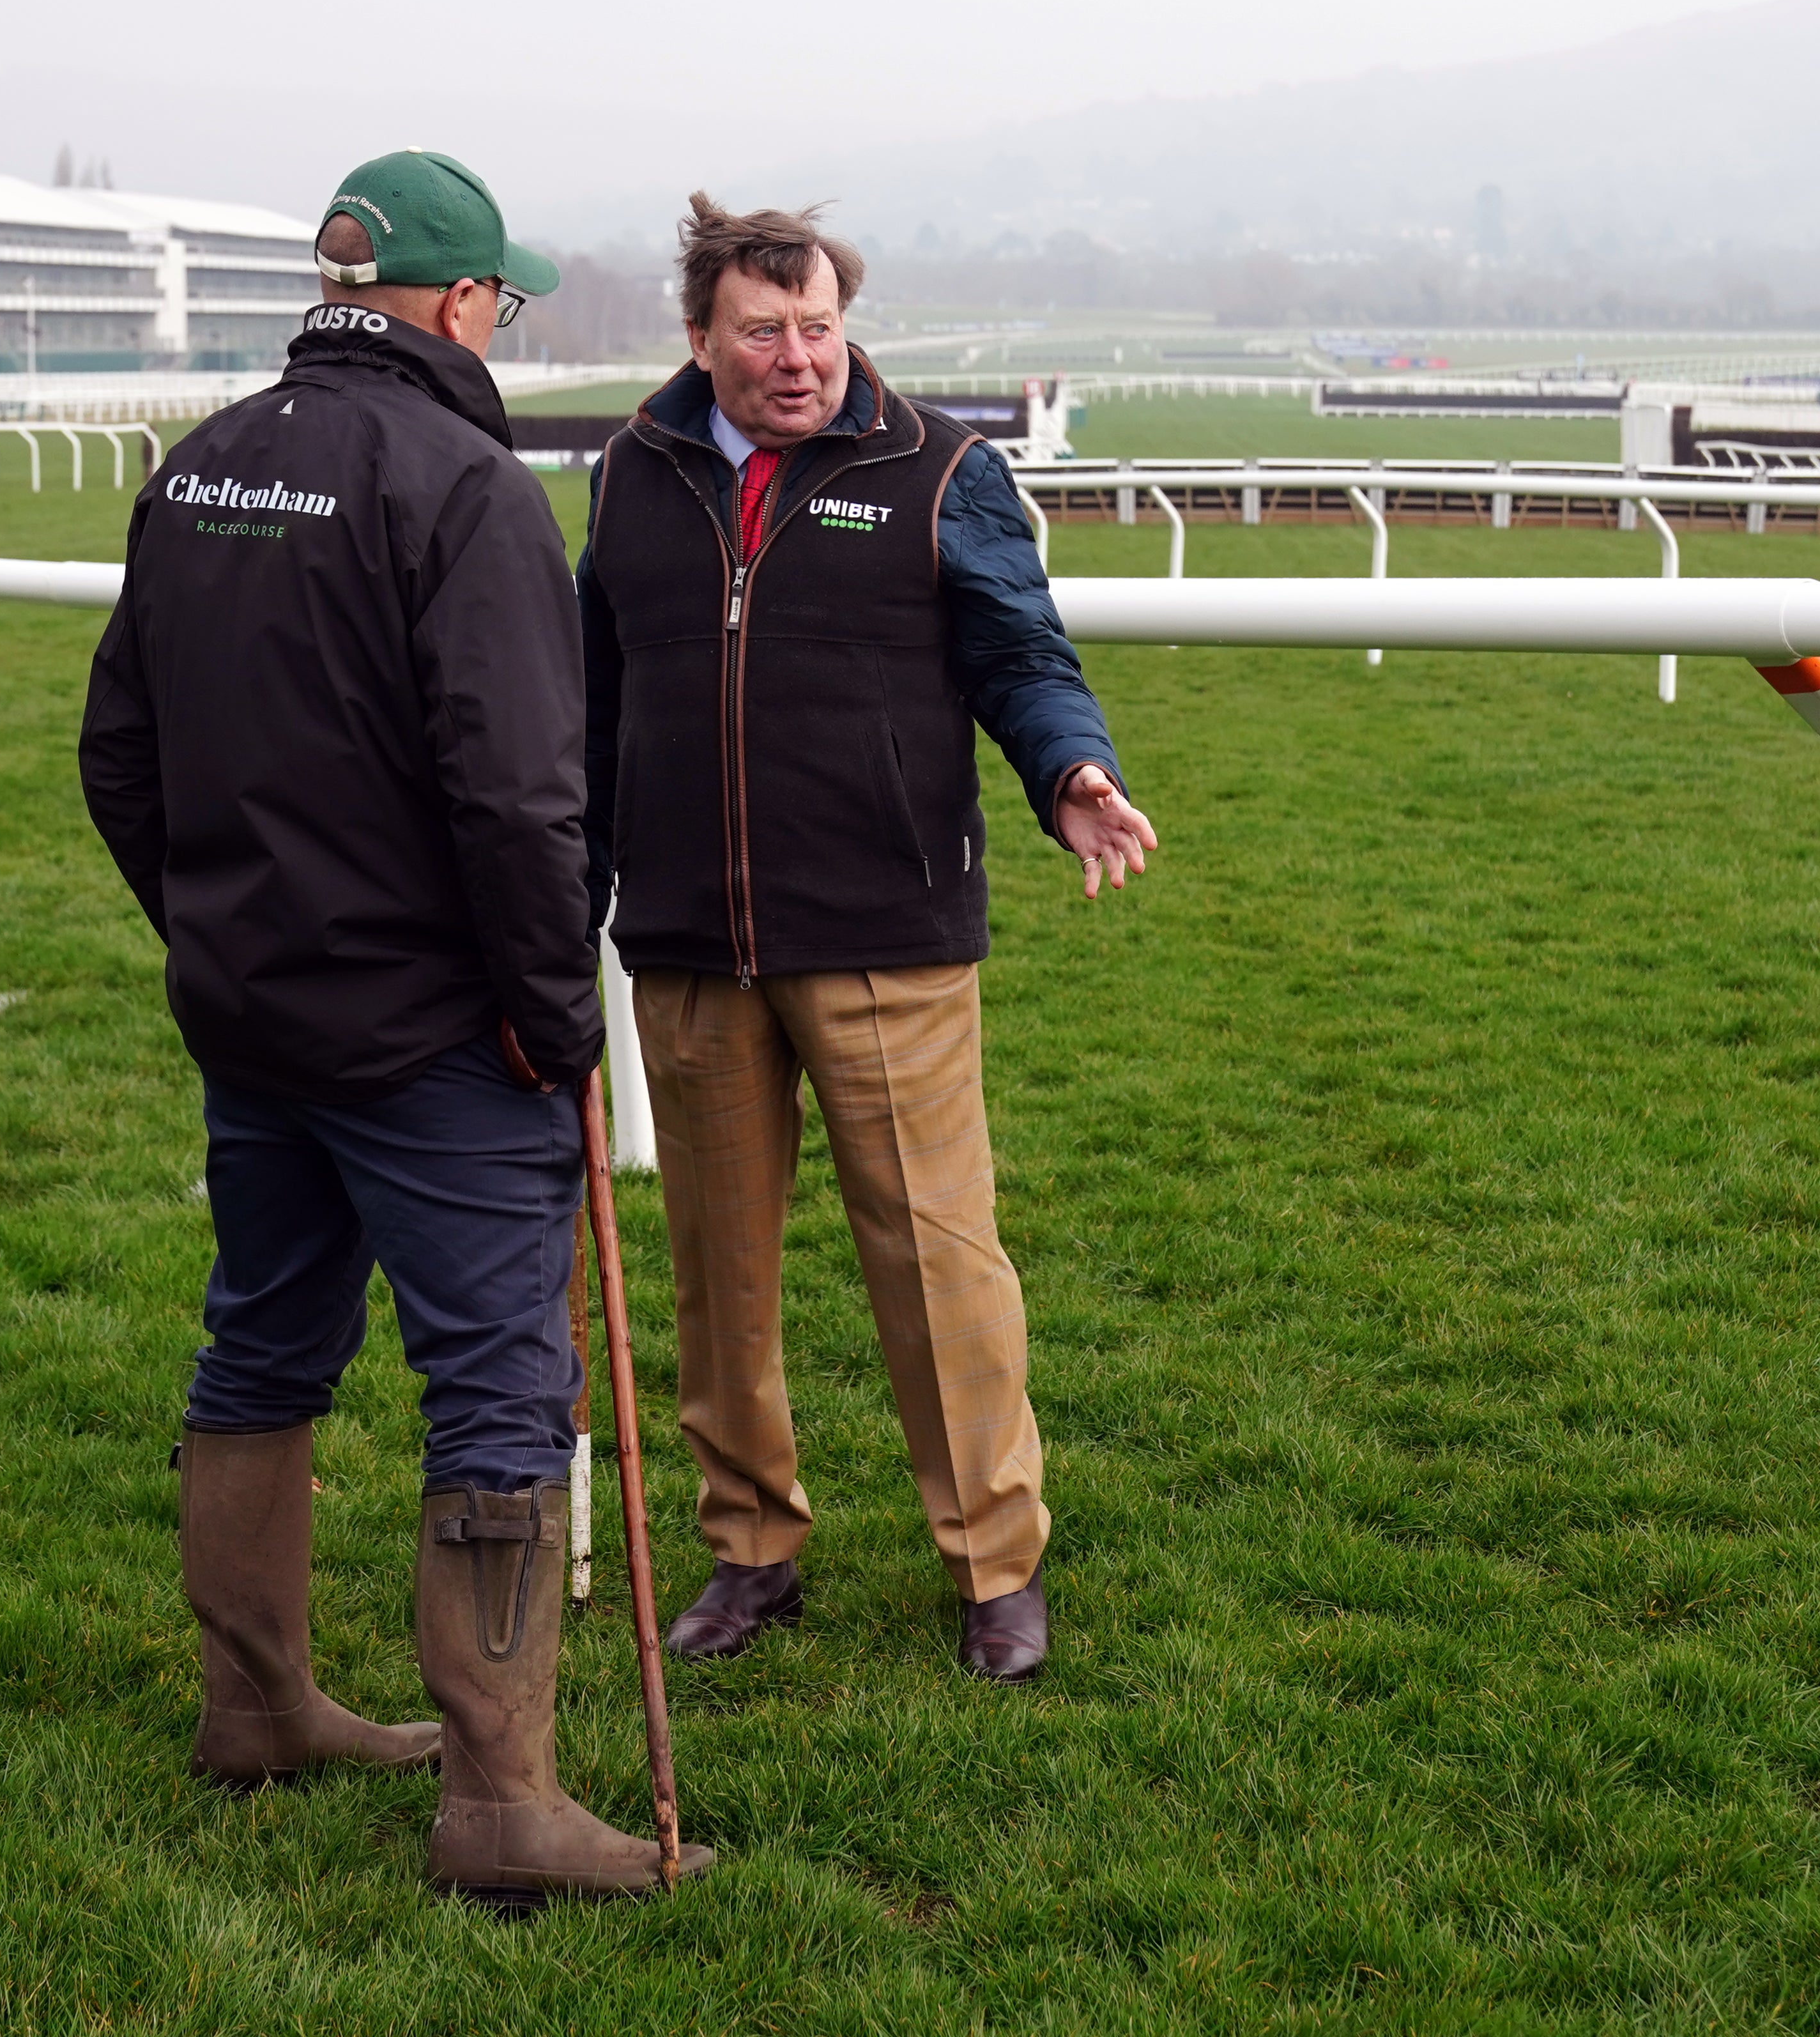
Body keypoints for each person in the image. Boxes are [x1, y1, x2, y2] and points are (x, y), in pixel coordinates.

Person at [79, 148, 710, 1906]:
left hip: (255, 1017)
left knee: (262, 1352)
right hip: (438, 1042)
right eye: (499, 301)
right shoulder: (464, 481)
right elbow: (522, 801)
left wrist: (216, 931)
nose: (497, 325)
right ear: (453, 302)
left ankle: (257, 1707)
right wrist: (545, 1021)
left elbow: (115, 756)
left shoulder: (199, 465)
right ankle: (503, 1802)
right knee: (502, 1386)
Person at [576, 195, 1158, 1686]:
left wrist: (1069, 770)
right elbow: (591, 696)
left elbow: (1020, 650)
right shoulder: (631, 477)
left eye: (819, 326)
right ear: (699, 337)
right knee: (719, 1270)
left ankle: (993, 1564)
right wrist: (561, 875)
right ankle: (748, 1548)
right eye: (762, 331)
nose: (797, 358)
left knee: (935, 1254)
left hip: (886, 933)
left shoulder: (941, 467)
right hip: (691, 938)